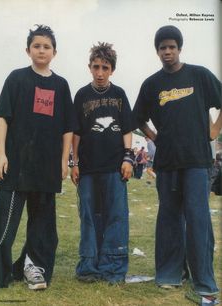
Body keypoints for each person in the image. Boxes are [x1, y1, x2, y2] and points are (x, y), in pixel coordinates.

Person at [132, 25, 222, 305]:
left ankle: (203, 280)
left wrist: (215, 130)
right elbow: (137, 119)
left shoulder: (199, 75)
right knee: (169, 218)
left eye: (172, 46)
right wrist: (154, 137)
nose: (167, 51)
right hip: (168, 162)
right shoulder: (151, 84)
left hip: (197, 160)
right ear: (157, 51)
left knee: (197, 218)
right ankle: (169, 274)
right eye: (162, 47)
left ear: (179, 48)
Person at [0, 24, 77, 294]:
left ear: (55, 52)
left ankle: (34, 267)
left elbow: (67, 128)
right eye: (36, 46)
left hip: (46, 168)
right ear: (28, 50)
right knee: (3, 225)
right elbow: (2, 117)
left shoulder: (61, 86)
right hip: (16, 166)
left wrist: (65, 160)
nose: (41, 50)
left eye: (46, 46)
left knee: (42, 226)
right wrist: (0, 154)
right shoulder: (16, 79)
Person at [71, 42, 133, 284]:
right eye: (96, 67)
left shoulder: (119, 95)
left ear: (112, 70)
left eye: (105, 67)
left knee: (116, 217)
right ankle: (88, 266)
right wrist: (73, 163)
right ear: (89, 67)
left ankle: (113, 268)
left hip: (115, 168)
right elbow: (75, 133)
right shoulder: (81, 95)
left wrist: (128, 157)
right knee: (88, 216)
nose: (99, 72)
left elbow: (126, 128)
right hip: (87, 168)